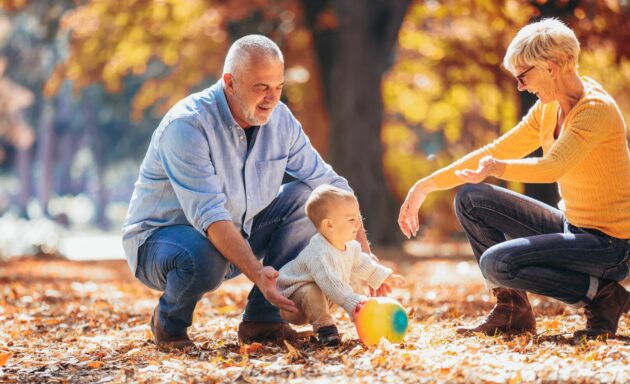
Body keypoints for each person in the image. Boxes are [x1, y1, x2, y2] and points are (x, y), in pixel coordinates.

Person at [122, 35, 382, 349]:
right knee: (202, 253)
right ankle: (169, 324)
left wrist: (364, 259)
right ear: (229, 83)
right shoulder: (188, 126)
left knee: (308, 199)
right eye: (261, 87)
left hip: (236, 233)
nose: (272, 99)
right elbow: (211, 217)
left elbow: (330, 184)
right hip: (161, 243)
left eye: (278, 88)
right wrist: (259, 273)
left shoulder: (281, 120)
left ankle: (263, 320)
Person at [398, 18, 630, 340]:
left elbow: (553, 166)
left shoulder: (595, 110)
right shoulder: (548, 110)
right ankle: (512, 310)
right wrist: (425, 184)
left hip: (610, 246)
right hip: (573, 227)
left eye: (523, 76)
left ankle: (604, 296)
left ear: (551, 68)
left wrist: (497, 167)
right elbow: (496, 149)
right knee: (471, 198)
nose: (520, 86)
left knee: (498, 263)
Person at [277, 185, 406, 346]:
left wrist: (383, 276)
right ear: (329, 225)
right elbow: (330, 282)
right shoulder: (319, 252)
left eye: (358, 218)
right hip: (294, 303)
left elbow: (362, 264)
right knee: (311, 290)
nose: (357, 224)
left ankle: (362, 317)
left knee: (354, 279)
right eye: (351, 219)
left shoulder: (351, 246)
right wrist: (355, 302)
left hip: (325, 297)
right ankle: (325, 329)